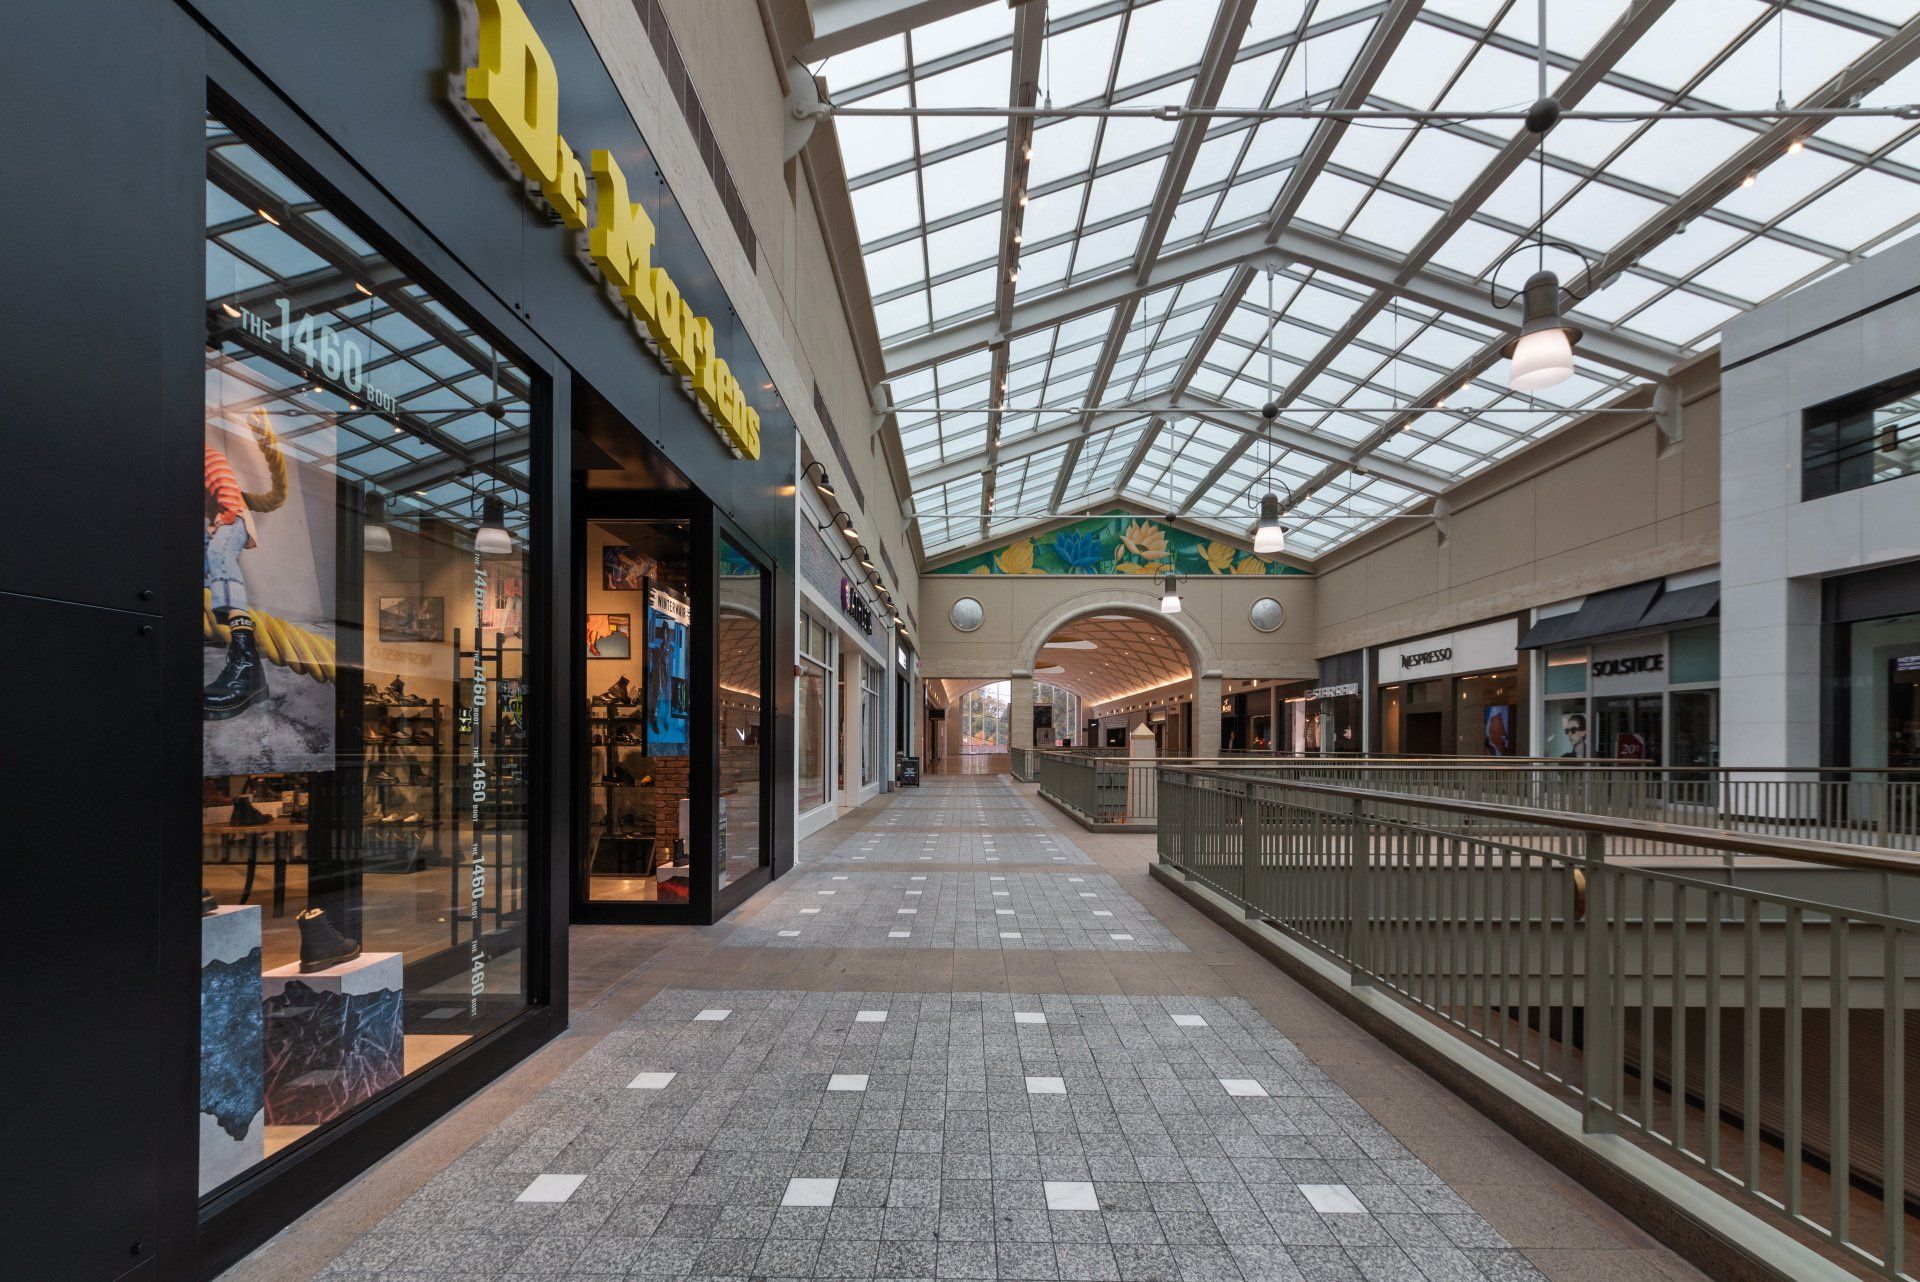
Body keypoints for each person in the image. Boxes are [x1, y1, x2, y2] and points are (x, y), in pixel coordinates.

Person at [204, 445, 268, 719]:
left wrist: (228, 511)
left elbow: (222, 477)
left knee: (219, 554)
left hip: (232, 517)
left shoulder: (203, 453)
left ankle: (245, 660)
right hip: (213, 522)